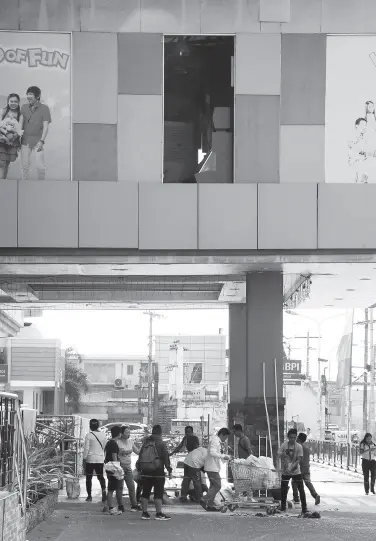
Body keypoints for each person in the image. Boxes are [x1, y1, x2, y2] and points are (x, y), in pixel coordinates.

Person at [139, 424, 172, 521]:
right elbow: (166, 457)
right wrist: (169, 468)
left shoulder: (146, 442)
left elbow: (140, 456)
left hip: (146, 470)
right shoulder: (161, 443)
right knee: (158, 493)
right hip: (158, 470)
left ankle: (144, 513)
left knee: (145, 491)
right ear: (160, 432)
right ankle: (158, 513)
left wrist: (140, 468)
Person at [20, 86, 51, 180]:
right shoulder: (24, 107)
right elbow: (20, 123)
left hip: (38, 140)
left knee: (40, 167)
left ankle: (41, 186)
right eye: (27, 94)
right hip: (25, 140)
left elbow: (46, 126)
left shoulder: (45, 108)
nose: (28, 96)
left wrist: (42, 141)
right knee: (25, 167)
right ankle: (25, 187)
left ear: (37, 96)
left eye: (31, 94)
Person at [278, 428, 308, 514]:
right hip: (285, 471)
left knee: (301, 490)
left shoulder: (299, 446)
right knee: (283, 490)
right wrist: (282, 458)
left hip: (296, 471)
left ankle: (304, 508)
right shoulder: (284, 445)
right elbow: (278, 455)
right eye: (291, 437)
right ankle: (283, 507)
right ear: (288, 437)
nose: (292, 439)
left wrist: (291, 467)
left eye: (294, 437)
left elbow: (299, 460)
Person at [201, 428, 231, 512]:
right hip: (212, 467)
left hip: (213, 467)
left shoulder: (217, 441)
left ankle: (210, 505)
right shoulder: (215, 441)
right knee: (217, 485)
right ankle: (204, 499)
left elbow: (217, 453)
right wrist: (223, 456)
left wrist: (225, 456)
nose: (225, 439)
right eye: (225, 437)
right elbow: (212, 452)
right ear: (222, 435)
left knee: (213, 486)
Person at [170, 426, 200, 503]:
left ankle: (184, 496)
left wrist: (172, 453)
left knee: (186, 479)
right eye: (186, 432)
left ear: (191, 432)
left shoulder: (186, 438)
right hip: (194, 460)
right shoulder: (194, 438)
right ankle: (198, 497)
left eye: (188, 431)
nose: (187, 433)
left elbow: (179, 447)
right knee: (195, 479)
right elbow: (197, 448)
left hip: (188, 459)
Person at [117, 425, 142, 512]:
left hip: (128, 467)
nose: (128, 434)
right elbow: (116, 453)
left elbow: (138, 452)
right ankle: (120, 505)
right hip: (119, 466)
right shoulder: (117, 442)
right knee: (120, 486)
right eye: (126, 432)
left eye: (129, 432)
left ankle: (134, 505)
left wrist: (144, 447)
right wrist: (121, 452)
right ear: (121, 433)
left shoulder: (130, 441)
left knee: (131, 486)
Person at [292, 433, 320, 506]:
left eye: (297, 438)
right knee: (308, 483)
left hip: (299, 469)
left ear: (298, 439)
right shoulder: (307, 449)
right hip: (306, 469)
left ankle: (296, 498)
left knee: (294, 482)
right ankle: (315, 495)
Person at [83, 419, 107, 503]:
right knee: (100, 477)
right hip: (100, 459)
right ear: (98, 426)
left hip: (90, 458)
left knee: (88, 478)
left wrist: (84, 458)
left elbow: (86, 448)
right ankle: (104, 492)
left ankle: (89, 496)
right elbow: (104, 448)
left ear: (90, 426)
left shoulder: (88, 435)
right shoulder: (103, 435)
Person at [0, 94, 23, 179]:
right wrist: (5, 135)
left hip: (13, 141)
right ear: (8, 101)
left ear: (18, 102)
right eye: (11, 101)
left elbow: (19, 129)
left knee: (7, 163)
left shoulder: (20, 115)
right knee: (1, 162)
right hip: (1, 139)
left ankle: (4, 181)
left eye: (15, 101)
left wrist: (12, 137)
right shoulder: (3, 111)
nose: (13, 103)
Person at [104, 425, 124, 515]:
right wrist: (118, 469)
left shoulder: (109, 442)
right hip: (113, 468)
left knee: (111, 487)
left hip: (108, 466)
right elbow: (114, 456)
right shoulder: (113, 444)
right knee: (111, 488)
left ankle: (107, 506)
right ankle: (111, 508)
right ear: (119, 434)